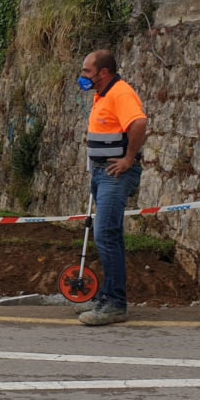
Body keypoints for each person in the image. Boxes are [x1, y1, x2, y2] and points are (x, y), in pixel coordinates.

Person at [76, 50, 148, 326]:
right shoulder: (102, 95)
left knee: (105, 234)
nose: (83, 77)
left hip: (114, 175)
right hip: (102, 172)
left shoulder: (120, 93)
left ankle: (115, 304)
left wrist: (129, 159)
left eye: (87, 71)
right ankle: (107, 297)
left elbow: (139, 122)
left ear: (103, 72)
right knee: (111, 236)